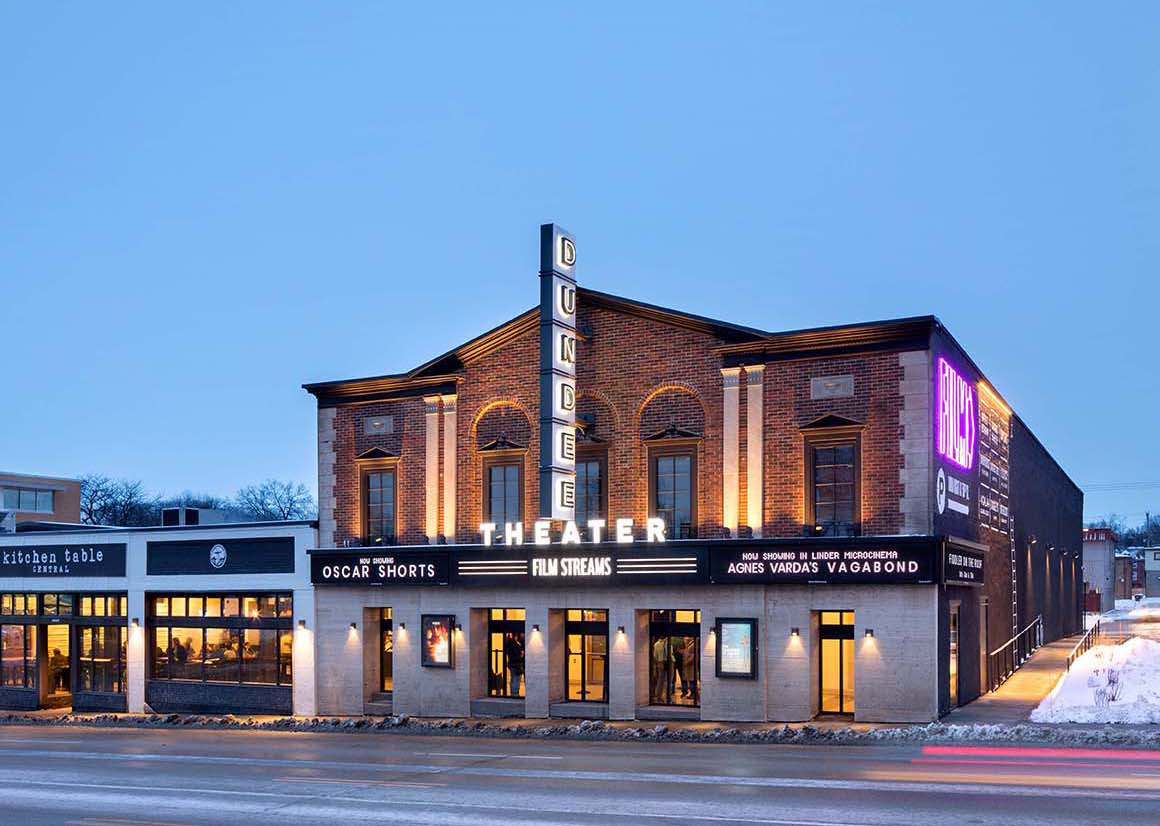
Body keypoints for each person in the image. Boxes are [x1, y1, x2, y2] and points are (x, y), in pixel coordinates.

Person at [504, 632, 525, 697]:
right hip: (516, 664)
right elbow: (516, 656)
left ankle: (513, 693)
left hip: (512, 664)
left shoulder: (509, 644)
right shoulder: (514, 644)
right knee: (516, 679)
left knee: (513, 678)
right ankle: (515, 693)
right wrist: (522, 655)